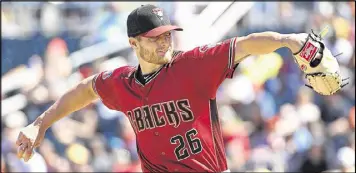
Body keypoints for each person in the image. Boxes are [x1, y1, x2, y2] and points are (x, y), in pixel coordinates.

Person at [16, 4, 318, 173]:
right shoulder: (122, 83)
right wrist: (40, 124)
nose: (164, 42)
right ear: (133, 43)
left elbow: (245, 44)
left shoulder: (193, 65)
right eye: (154, 37)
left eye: (167, 35)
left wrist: (288, 40)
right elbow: (85, 89)